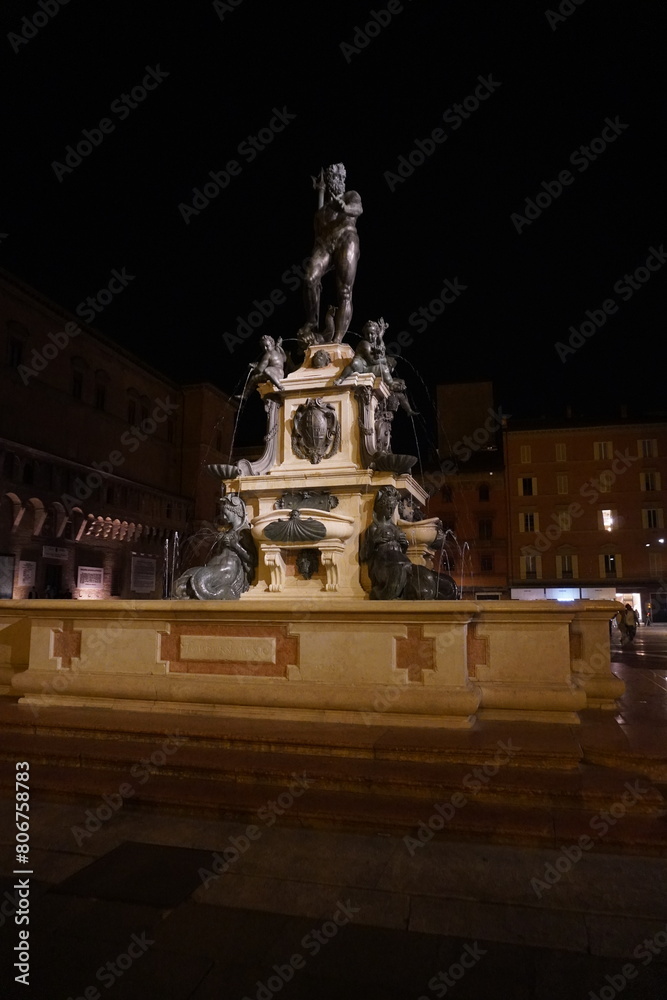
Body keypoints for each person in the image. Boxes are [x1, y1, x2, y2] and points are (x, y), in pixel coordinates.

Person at [304, 163, 362, 342]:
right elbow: (318, 237)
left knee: (344, 291)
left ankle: (337, 339)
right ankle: (312, 323)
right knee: (309, 278)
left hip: (346, 239)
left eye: (343, 177)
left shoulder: (350, 195)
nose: (341, 181)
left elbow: (358, 209)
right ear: (329, 181)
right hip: (325, 246)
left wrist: (344, 208)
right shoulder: (320, 212)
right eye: (337, 177)